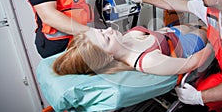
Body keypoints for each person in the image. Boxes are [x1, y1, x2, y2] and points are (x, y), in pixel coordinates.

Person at [52, 24, 207, 76]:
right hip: (184, 46)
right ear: (108, 57)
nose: (110, 29)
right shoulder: (147, 61)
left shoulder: (122, 39)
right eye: (106, 38)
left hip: (169, 32)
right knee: (205, 29)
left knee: (195, 23)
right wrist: (214, 44)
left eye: (101, 30)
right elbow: (191, 63)